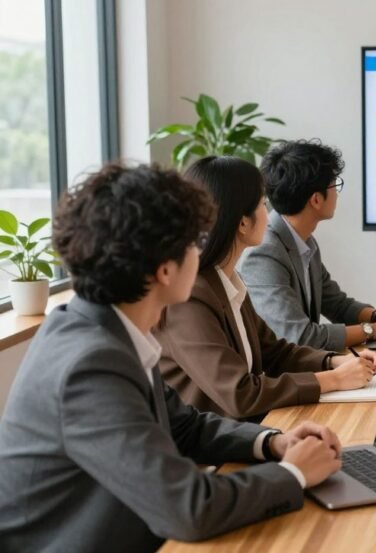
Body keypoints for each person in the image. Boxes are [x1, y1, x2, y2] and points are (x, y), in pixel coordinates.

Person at [0, 163, 344, 552]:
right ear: (165, 270)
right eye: (194, 242)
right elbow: (188, 508)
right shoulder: (89, 364)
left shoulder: (105, 331)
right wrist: (294, 474)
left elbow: (184, 427)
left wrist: (273, 443)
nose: (203, 252)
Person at [155, 156, 376, 420]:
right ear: (242, 223)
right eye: (263, 203)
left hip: (247, 430)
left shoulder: (226, 281)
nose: (270, 213)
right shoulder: (189, 297)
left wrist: (332, 361)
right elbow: (240, 394)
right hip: (213, 452)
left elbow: (274, 352)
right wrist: (331, 380)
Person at [238, 140, 376, 351]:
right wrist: (374, 330)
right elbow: (299, 336)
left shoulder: (304, 240)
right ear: (316, 200)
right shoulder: (264, 253)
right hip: (281, 377)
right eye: (335, 185)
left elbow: (337, 304)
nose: (337, 192)